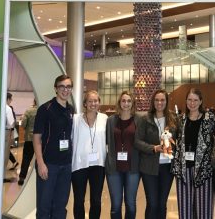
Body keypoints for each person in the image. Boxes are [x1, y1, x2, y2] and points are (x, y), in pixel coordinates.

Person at [33, 75, 74, 218]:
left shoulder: (71, 110)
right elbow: (37, 138)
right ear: (56, 88)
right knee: (44, 206)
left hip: (66, 165)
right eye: (62, 86)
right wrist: (40, 163)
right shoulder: (45, 109)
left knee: (60, 206)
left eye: (68, 87)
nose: (65, 90)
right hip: (48, 164)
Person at [172, 88, 215, 219]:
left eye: (195, 100)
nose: (192, 103)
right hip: (184, 170)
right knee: (185, 210)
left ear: (201, 101)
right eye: (190, 100)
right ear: (186, 101)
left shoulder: (209, 119)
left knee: (204, 211)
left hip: (204, 171)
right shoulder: (181, 119)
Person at [135, 89, 177, 219]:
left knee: (161, 204)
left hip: (167, 168)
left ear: (166, 101)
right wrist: (154, 148)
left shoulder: (174, 119)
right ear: (153, 102)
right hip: (149, 167)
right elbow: (137, 142)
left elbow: (179, 140)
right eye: (157, 100)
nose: (160, 102)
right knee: (152, 204)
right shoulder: (145, 119)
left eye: (162, 100)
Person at [71, 90, 108, 219]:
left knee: (96, 200)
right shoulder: (75, 119)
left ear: (99, 103)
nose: (93, 103)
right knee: (79, 200)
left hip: (98, 165)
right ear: (85, 103)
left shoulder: (105, 118)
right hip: (79, 165)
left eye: (96, 101)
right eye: (90, 101)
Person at [105, 91, 141, 219]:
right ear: (119, 103)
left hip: (133, 168)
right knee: (115, 205)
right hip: (114, 168)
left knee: (130, 204)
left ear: (133, 103)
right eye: (123, 101)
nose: (126, 103)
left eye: (129, 101)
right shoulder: (110, 120)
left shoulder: (138, 120)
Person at [18, 99, 38, 185]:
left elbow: (23, 124)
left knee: (26, 158)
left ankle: (22, 178)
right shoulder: (43, 110)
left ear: (34, 102)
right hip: (40, 139)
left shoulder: (29, 111)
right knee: (41, 158)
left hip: (29, 138)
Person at [4, 93, 16, 183]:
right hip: (6, 132)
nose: (11, 101)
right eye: (11, 99)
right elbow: (11, 123)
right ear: (8, 99)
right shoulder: (7, 108)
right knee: (5, 154)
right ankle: (2, 176)